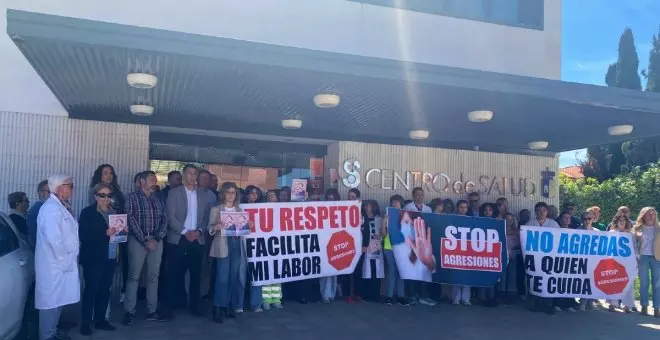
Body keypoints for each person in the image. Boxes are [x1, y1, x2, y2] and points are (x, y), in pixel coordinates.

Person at [35, 174, 80, 340]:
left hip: (62, 265)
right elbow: (54, 240)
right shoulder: (50, 209)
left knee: (58, 301)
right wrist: (65, 261)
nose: (72, 189)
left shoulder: (62, 206)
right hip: (55, 265)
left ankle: (52, 333)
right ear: (60, 188)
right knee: (50, 303)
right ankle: (47, 336)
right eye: (70, 185)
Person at [165, 164, 213, 317]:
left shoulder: (203, 194)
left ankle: (195, 305)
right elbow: (170, 216)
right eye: (190, 173)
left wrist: (199, 231)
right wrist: (185, 231)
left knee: (196, 273)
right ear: (184, 175)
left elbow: (206, 217)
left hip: (197, 238)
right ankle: (168, 307)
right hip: (179, 237)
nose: (193, 176)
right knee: (173, 273)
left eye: (195, 174)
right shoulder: (174, 193)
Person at [122, 171, 169, 325]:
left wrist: (156, 238)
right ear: (141, 182)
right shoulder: (131, 198)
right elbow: (131, 220)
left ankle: (152, 310)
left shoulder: (159, 198)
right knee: (134, 276)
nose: (154, 181)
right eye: (151, 179)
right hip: (138, 241)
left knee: (153, 277)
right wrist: (144, 240)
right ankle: (129, 311)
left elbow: (164, 219)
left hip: (156, 241)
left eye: (155, 179)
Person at [78, 183, 119, 335]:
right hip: (92, 258)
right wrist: (104, 233)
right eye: (102, 195)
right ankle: (86, 323)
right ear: (96, 197)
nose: (106, 199)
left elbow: (117, 235)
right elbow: (83, 235)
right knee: (91, 290)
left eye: (108, 195)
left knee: (105, 290)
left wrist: (122, 231)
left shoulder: (114, 213)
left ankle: (101, 320)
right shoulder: (87, 213)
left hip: (110, 256)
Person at [209, 182, 246, 322]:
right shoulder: (216, 209)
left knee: (233, 277)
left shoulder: (239, 210)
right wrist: (216, 226)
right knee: (222, 278)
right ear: (223, 194)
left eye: (233, 192)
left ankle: (228, 305)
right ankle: (218, 307)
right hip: (223, 244)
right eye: (228, 192)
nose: (231, 195)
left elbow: (242, 229)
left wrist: (248, 226)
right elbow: (210, 228)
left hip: (236, 244)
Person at [403, 187, 436, 306]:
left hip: (423, 242)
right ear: (413, 196)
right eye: (417, 195)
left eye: (421, 195)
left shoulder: (428, 209)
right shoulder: (408, 207)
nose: (419, 197)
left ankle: (424, 295)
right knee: (411, 270)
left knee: (424, 270)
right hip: (411, 242)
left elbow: (430, 224)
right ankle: (412, 295)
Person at [528, 202, 560, 314]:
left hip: (549, 259)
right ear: (535, 211)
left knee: (548, 281)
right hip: (534, 259)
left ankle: (548, 305)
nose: (541, 213)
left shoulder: (553, 224)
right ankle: (536, 304)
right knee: (535, 281)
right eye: (539, 210)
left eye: (544, 210)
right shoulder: (530, 224)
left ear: (547, 212)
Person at [382, 195, 409, 306]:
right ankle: (389, 296)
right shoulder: (387, 215)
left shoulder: (405, 215)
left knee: (401, 271)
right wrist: (384, 221)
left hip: (402, 247)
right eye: (393, 202)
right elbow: (383, 234)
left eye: (397, 203)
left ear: (401, 204)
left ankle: (400, 296)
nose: (394, 204)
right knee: (392, 271)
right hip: (389, 246)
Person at [607, 212, 636, 313]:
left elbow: (635, 247)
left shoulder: (630, 234)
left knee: (628, 283)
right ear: (616, 222)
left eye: (624, 220)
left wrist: (636, 257)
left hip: (628, 261)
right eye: (620, 220)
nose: (622, 222)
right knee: (614, 282)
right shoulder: (612, 232)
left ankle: (627, 305)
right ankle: (612, 303)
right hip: (615, 260)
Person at [633, 207, 660, 317]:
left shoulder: (658, 228)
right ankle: (644, 305)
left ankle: (657, 307)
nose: (651, 216)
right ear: (643, 215)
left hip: (657, 258)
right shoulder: (638, 228)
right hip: (643, 257)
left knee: (657, 284)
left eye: (653, 214)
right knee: (644, 283)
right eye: (648, 214)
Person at [243, 185, 265, 312]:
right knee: (240, 277)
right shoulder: (239, 207)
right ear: (246, 195)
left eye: (256, 194)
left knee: (257, 274)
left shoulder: (263, 208)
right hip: (242, 244)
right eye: (251, 193)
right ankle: (238, 304)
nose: (254, 196)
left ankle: (256, 304)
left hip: (258, 245)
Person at [261, 190, 283, 310]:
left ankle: (276, 299)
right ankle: (266, 299)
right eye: (269, 196)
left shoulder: (282, 210)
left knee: (277, 274)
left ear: (277, 198)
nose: (271, 198)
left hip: (279, 245)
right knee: (267, 274)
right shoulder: (262, 210)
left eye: (273, 196)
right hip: (266, 245)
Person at [359, 200, 384, 301]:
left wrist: (380, 236)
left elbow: (383, 233)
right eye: (365, 206)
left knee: (376, 270)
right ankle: (365, 294)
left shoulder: (379, 219)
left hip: (377, 248)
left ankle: (375, 295)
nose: (366, 207)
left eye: (368, 206)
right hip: (366, 247)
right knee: (366, 270)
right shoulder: (362, 219)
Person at [341, 188, 362, 303]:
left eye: (353, 197)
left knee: (358, 270)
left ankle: (357, 293)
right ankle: (347, 294)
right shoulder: (343, 209)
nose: (351, 199)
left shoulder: (362, 210)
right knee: (347, 271)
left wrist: (364, 245)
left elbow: (366, 229)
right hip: (347, 244)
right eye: (349, 196)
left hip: (359, 245)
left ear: (358, 198)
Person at [320, 188, 341, 303]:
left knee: (334, 271)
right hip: (324, 243)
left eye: (332, 198)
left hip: (336, 242)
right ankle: (325, 294)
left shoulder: (341, 210)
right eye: (328, 198)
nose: (329, 200)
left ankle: (332, 294)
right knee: (325, 271)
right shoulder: (322, 209)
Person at [478, 203, 499, 307]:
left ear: (493, 211)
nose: (487, 212)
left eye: (490, 210)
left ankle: (491, 297)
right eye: (485, 210)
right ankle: (482, 298)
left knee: (491, 276)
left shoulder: (497, 223)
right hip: (481, 252)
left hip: (493, 253)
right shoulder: (478, 222)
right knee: (482, 276)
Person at [27, 180, 50, 249]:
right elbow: (33, 233)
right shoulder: (37, 209)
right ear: (41, 193)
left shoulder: (46, 207)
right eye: (49, 192)